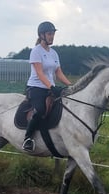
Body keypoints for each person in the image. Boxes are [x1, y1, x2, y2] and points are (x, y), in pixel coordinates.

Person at [22, 21, 71, 152]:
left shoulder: (54, 53)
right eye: (50, 34)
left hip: (50, 88)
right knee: (40, 110)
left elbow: (58, 72)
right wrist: (51, 86)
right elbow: (39, 72)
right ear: (42, 35)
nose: (52, 36)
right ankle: (27, 138)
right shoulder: (36, 51)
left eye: (53, 34)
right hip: (36, 88)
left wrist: (71, 86)